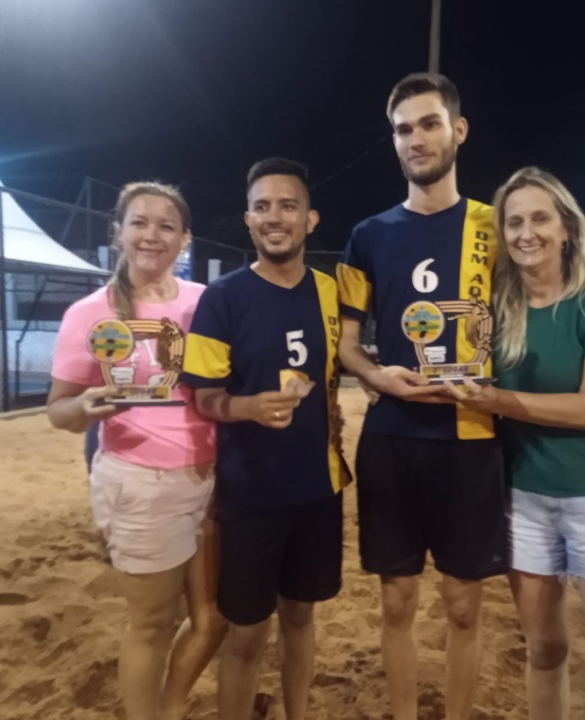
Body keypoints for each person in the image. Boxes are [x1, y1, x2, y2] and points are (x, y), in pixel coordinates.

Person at [336, 73, 585, 720]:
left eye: (429, 124)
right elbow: (347, 344)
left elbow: (553, 299)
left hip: (472, 439)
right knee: (395, 602)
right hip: (390, 437)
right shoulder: (367, 235)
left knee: (463, 605)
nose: (416, 139)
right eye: (403, 129)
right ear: (393, 141)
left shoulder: (496, 229)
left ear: (458, 130)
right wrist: (375, 376)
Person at [444, 166, 585, 720]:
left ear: (567, 227)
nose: (526, 232)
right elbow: (444, 364)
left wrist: (499, 403)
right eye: (513, 221)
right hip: (525, 503)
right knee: (543, 653)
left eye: (539, 218)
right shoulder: (494, 309)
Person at [47, 182, 225, 720]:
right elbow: (58, 410)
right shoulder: (90, 312)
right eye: (140, 223)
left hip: (213, 479)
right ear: (118, 231)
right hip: (141, 481)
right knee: (152, 625)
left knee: (214, 618)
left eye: (166, 225)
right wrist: (86, 408)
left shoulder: (205, 303)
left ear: (185, 238)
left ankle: (169, 706)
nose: (152, 235)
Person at [180, 157, 350, 720]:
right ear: (248, 220)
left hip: (318, 491)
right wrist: (247, 407)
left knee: (301, 619)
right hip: (250, 495)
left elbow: (340, 372)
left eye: (288, 205)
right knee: (247, 634)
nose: (275, 217)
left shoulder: (330, 293)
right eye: (262, 207)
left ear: (311, 218)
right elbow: (203, 396)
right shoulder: (222, 299)